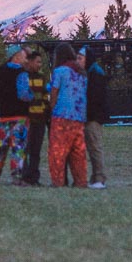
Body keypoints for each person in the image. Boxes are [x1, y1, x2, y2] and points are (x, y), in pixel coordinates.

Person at [47, 44, 89, 188]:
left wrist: (51, 109)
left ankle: (58, 181)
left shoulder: (59, 71)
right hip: (79, 117)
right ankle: (81, 181)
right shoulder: (82, 74)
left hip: (61, 115)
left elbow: (54, 93)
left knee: (57, 151)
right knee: (78, 152)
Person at [0, 45, 32, 184]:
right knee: (18, 148)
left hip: (4, 115)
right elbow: (23, 94)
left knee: (1, 147)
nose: (26, 60)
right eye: (24, 57)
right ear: (16, 57)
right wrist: (33, 97)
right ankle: (16, 177)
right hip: (20, 116)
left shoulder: (2, 70)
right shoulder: (22, 73)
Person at [21, 49, 50, 186]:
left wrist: (46, 115)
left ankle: (34, 177)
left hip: (40, 119)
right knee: (24, 149)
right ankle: (24, 175)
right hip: (26, 119)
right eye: (38, 62)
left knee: (36, 150)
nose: (40, 65)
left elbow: (45, 97)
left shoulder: (42, 78)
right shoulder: (23, 77)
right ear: (30, 62)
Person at [84, 48, 110, 188]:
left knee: (95, 147)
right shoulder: (94, 71)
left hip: (93, 117)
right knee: (94, 147)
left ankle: (99, 178)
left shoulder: (94, 73)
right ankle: (95, 178)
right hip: (93, 116)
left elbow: (94, 98)